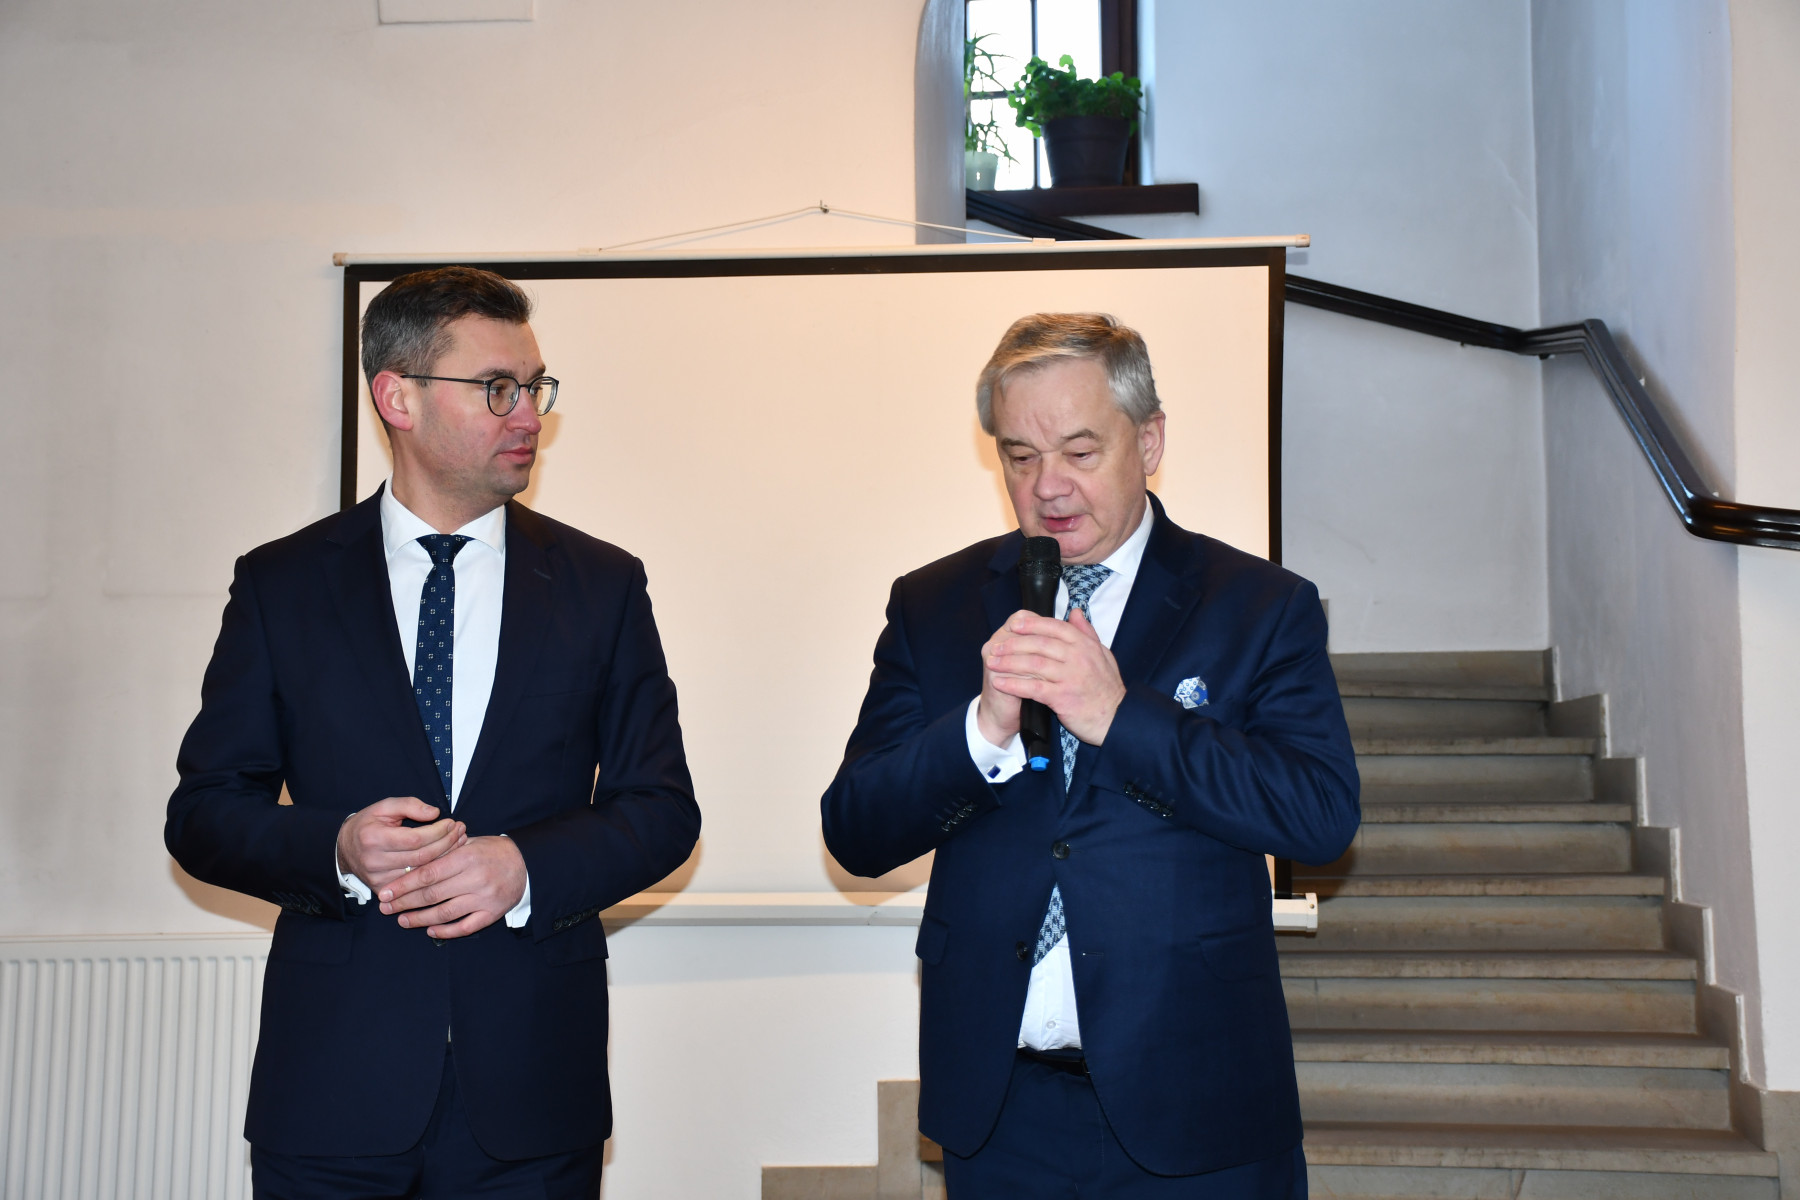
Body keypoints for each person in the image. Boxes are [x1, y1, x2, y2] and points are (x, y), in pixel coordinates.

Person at [166, 266, 699, 1199]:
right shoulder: (282, 584)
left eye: (534, 387)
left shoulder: (602, 584)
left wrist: (524, 867)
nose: (529, 415)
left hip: (533, 1095)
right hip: (333, 1090)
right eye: (497, 388)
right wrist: (335, 847)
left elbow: (659, 809)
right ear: (397, 397)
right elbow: (204, 813)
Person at [821, 313, 1359, 1197]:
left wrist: (1123, 717)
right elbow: (855, 831)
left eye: (1079, 451)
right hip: (1002, 1113)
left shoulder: (1258, 605)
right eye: (1019, 456)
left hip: (1200, 1105)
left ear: (1148, 442)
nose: (1048, 487)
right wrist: (982, 731)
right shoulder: (935, 603)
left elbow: (1319, 814)